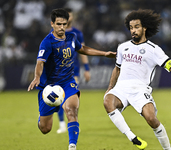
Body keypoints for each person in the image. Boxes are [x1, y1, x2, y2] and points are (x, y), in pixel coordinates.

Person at [27, 8, 115, 150]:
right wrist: (37, 77)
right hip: (49, 87)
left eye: (64, 24)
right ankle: (43, 115)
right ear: (52, 24)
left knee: (71, 111)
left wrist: (104, 54)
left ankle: (72, 146)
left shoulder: (72, 37)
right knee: (45, 128)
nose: (62, 27)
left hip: (68, 83)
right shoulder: (47, 42)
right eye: (58, 24)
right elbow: (40, 62)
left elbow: (83, 49)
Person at [103, 9, 171, 150]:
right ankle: (132, 137)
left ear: (144, 28)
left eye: (137, 27)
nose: (133, 30)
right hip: (121, 87)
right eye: (131, 28)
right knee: (107, 101)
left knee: (151, 119)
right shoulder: (123, 47)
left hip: (140, 89)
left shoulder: (153, 49)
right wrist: (110, 88)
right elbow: (117, 69)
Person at [56, 8, 91, 134]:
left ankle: (73, 122)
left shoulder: (77, 33)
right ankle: (61, 125)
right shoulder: (54, 32)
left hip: (74, 71)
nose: (68, 19)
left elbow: (83, 51)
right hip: (58, 72)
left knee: (72, 97)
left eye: (70, 16)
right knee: (58, 98)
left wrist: (86, 68)